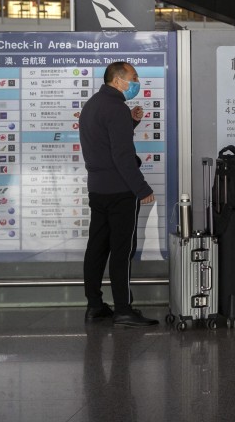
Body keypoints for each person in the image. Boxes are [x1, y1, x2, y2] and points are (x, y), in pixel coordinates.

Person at [80, 61, 158, 328]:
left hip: (98, 189)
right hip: (120, 191)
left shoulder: (94, 104)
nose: (137, 82)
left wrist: (131, 122)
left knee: (97, 248)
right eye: (134, 78)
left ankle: (94, 305)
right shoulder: (116, 109)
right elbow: (123, 156)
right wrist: (142, 188)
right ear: (118, 81)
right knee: (122, 251)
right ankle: (123, 309)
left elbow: (105, 141)